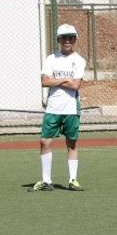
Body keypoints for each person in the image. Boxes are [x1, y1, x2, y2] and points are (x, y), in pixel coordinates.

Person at [33, 23, 86, 192]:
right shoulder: (51, 59)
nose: (68, 41)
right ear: (58, 40)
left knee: (72, 143)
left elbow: (76, 85)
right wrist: (64, 81)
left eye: (71, 37)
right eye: (64, 37)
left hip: (71, 108)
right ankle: (46, 181)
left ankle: (72, 179)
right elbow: (44, 81)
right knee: (44, 142)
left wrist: (56, 81)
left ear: (75, 39)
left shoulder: (79, 60)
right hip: (53, 108)